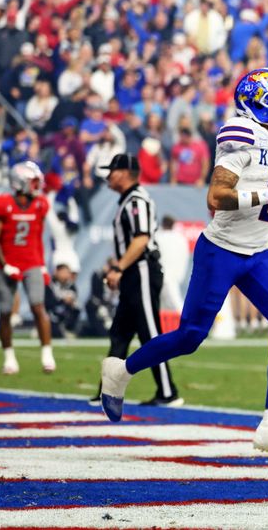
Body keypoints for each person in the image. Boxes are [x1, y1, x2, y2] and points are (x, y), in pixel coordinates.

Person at [98, 69, 268, 459]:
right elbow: (217, 197)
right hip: (222, 250)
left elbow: (257, 190)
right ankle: (120, 371)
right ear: (255, 102)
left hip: (257, 252)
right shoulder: (240, 132)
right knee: (191, 336)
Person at [89, 153, 182, 407]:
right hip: (133, 271)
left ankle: (167, 392)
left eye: (111, 171)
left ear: (123, 173)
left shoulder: (137, 199)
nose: (108, 176)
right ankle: (106, 393)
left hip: (141, 269)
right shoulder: (128, 200)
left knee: (150, 332)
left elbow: (141, 239)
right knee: (119, 333)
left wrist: (118, 267)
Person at [0, 161, 55, 374]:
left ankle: (47, 354)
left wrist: (43, 265)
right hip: (8, 262)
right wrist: (4, 264)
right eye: (34, 181)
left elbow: (37, 238)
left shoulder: (40, 205)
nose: (37, 186)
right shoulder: (3, 204)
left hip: (32, 262)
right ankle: (9, 358)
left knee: (38, 307)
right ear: (20, 182)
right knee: (6, 311)